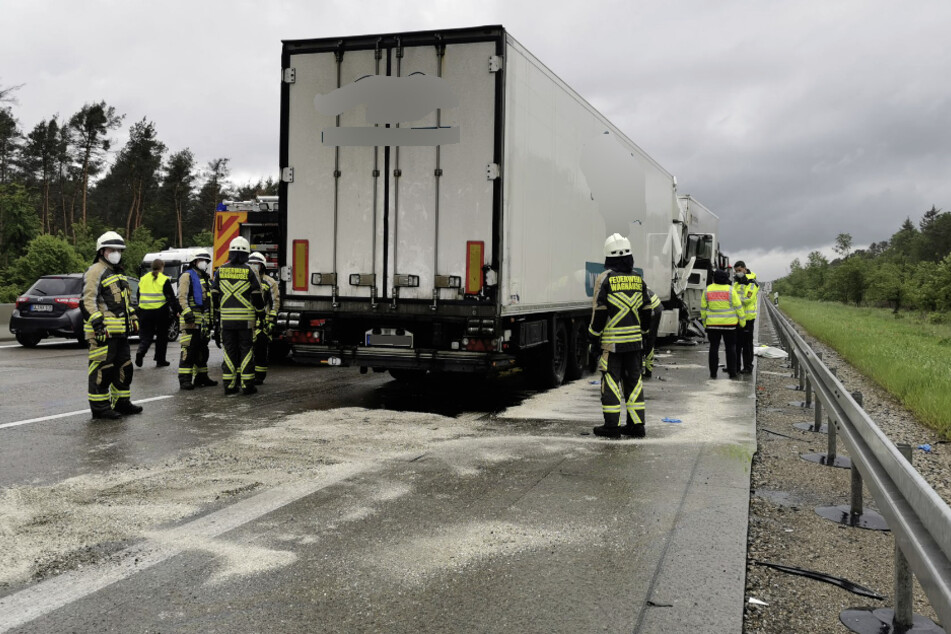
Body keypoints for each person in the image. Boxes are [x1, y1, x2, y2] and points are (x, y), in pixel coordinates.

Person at [587, 233, 655, 438]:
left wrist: (593, 338)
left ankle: (612, 426)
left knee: (611, 382)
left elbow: (599, 312)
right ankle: (637, 425)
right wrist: (643, 333)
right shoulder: (638, 279)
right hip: (635, 344)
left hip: (613, 345)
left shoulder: (606, 279)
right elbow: (647, 310)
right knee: (634, 383)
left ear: (608, 258)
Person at [80, 231, 143, 419]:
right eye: (111, 249)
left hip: (120, 332)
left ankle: (122, 402)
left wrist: (133, 318)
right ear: (102, 251)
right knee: (102, 370)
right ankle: (100, 408)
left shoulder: (120, 273)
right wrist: (97, 325)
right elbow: (86, 300)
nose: (116, 253)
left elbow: (124, 302)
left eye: (119, 250)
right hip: (103, 333)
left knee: (125, 368)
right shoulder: (95, 271)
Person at [212, 237, 265, 395]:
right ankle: (247, 385)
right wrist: (261, 314)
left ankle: (229, 385)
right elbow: (257, 296)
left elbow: (214, 294)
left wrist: (216, 316)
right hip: (245, 322)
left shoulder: (220, 270)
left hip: (226, 321)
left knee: (229, 352)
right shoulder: (250, 271)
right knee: (246, 351)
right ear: (246, 254)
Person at [178, 249, 217, 390]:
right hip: (191, 321)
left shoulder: (206, 278)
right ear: (194, 261)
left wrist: (212, 319)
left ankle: (202, 377)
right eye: (202, 260)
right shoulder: (187, 276)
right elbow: (182, 297)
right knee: (188, 351)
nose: (205, 263)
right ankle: (185, 379)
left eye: (206, 261)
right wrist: (187, 314)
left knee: (202, 351)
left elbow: (210, 301)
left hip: (204, 322)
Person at [701, 268, 745, 379]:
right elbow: (738, 307)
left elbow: (703, 309)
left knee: (713, 348)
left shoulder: (707, 290)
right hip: (730, 325)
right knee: (731, 348)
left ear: (714, 278)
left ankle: (713, 373)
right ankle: (732, 372)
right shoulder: (730, 290)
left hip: (712, 325)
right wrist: (742, 323)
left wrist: (705, 323)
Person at [135, 258, 179, 368]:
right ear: (162, 267)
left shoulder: (143, 279)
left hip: (144, 312)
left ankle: (141, 351)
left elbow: (138, 295)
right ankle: (160, 359)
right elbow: (171, 298)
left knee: (146, 336)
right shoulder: (164, 279)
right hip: (160, 312)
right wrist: (177, 311)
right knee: (162, 336)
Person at [248, 252, 280, 385]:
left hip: (262, 323)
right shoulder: (245, 280)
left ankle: (259, 376)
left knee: (260, 350)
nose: (254, 266)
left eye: (257, 264)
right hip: (247, 322)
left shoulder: (269, 282)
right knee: (245, 351)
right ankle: (247, 375)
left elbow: (275, 302)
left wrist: (272, 320)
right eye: (252, 264)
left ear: (262, 266)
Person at [733, 261, 759, 374]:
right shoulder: (736, 282)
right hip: (737, 318)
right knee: (737, 344)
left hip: (748, 318)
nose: (738, 273)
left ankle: (748, 366)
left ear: (745, 269)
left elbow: (748, 299)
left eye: (739, 270)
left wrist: (735, 301)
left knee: (747, 344)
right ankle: (736, 366)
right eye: (736, 271)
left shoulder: (752, 283)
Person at [641, 287, 663, 379]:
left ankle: (646, 370)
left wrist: (644, 331)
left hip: (653, 308)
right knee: (647, 339)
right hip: (655, 306)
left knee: (647, 339)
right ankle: (646, 369)